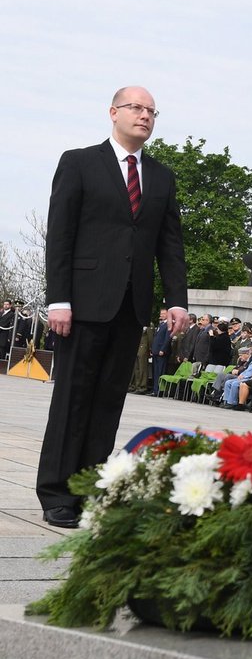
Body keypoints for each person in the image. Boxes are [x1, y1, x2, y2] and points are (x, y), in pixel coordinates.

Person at [37, 87, 188, 528]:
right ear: (113, 112)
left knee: (107, 403)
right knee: (72, 399)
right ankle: (56, 493)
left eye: (152, 111)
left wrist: (177, 300)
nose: (145, 116)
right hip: (82, 304)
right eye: (137, 108)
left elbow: (170, 244)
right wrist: (58, 299)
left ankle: (88, 490)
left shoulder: (161, 177)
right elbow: (60, 235)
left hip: (131, 305)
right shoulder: (79, 162)